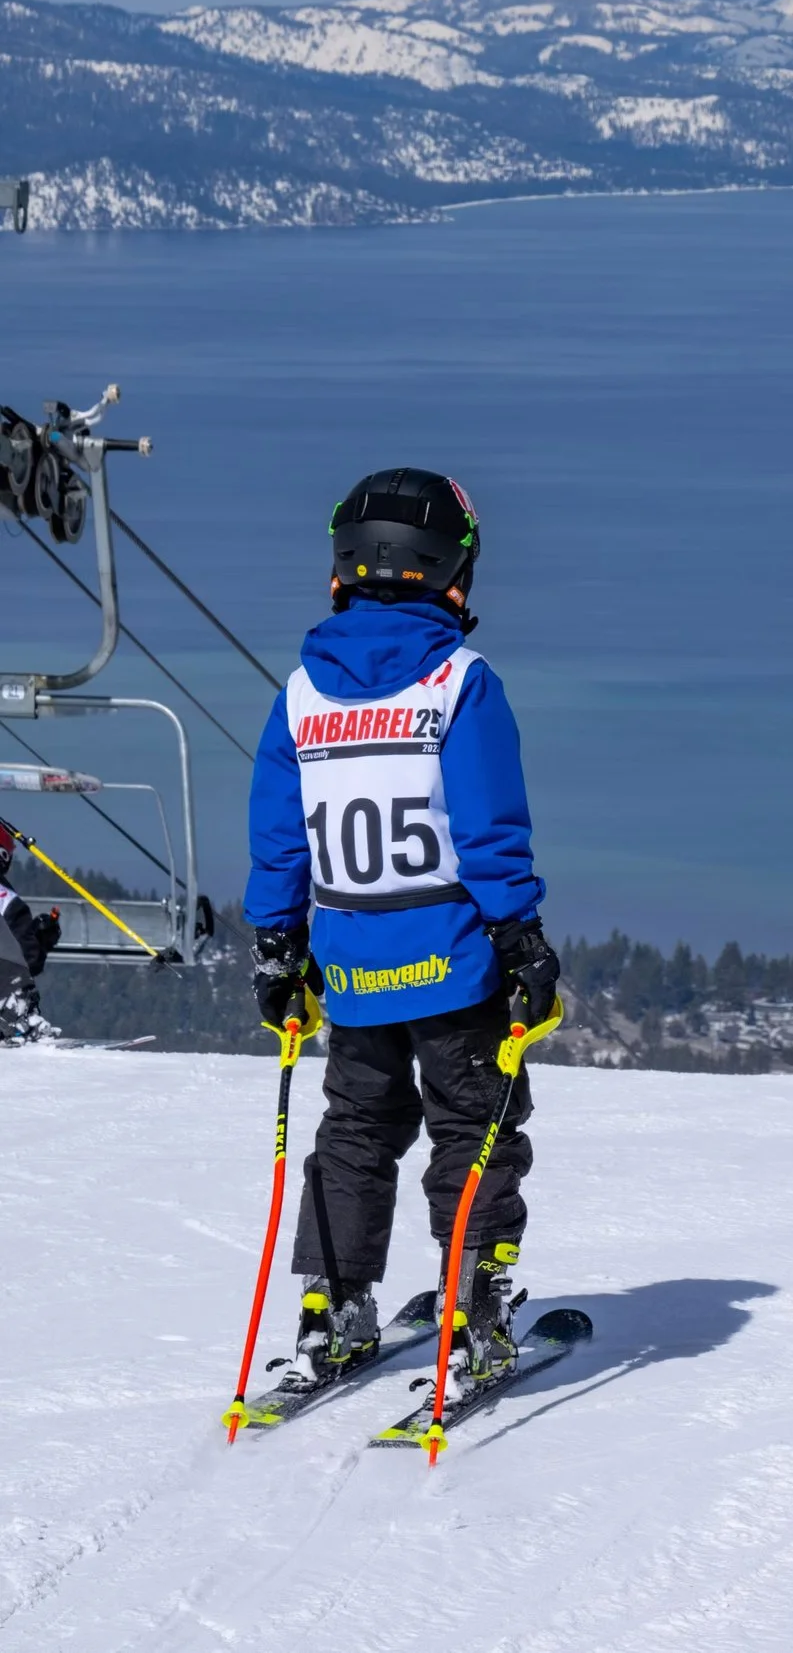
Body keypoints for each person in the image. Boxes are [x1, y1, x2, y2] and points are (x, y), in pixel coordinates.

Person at [243, 469, 563, 1395]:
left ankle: (333, 1307)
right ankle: (475, 1312)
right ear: (454, 573)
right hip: (454, 962)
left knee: (355, 1132)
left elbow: (279, 836)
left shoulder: (302, 694)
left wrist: (276, 945)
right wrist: (523, 942)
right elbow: (488, 825)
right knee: (476, 1127)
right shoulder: (459, 683)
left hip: (352, 964)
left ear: (344, 566)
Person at [0, 819, 64, 1043]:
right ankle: (22, 1023)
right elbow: (28, 956)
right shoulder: (4, 898)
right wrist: (42, 940)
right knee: (16, 975)